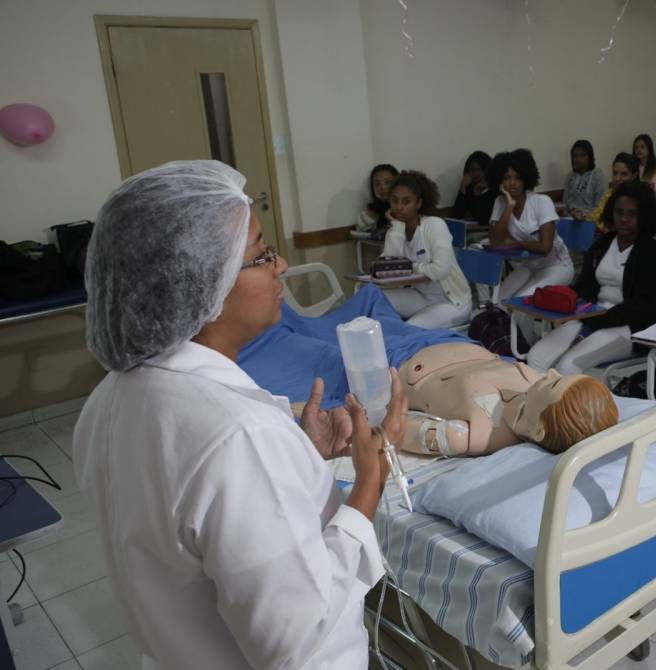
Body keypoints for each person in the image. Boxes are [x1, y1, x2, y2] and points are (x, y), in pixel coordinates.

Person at [74, 160, 407, 669]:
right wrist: (371, 479)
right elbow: (297, 640)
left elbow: (198, 527)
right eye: (261, 254)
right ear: (200, 281)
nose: (280, 267)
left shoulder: (106, 403)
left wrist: (301, 456)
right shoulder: (239, 436)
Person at [528, 181, 656, 374]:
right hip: (591, 316)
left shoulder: (653, 252)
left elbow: (644, 306)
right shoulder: (601, 245)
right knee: (535, 358)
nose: (624, 219)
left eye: (632, 214)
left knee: (567, 366)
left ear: (644, 216)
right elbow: (584, 287)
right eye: (619, 212)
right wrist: (568, 300)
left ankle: (565, 404)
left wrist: (598, 318)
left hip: (630, 328)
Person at [395, 342, 618, 456]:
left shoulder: (469, 436)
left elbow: (392, 431)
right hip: (455, 342)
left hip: (401, 361)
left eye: (554, 382)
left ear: (538, 430)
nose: (550, 372)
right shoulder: (535, 394)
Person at [379, 171, 472, 328]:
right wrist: (397, 227)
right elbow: (387, 271)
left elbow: (440, 270)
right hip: (420, 296)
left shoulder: (434, 225)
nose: (399, 207)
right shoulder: (395, 231)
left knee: (409, 330)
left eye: (406, 201)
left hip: (452, 302)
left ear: (419, 204)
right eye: (394, 201)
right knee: (376, 299)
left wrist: (409, 267)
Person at [487, 149, 574, 299]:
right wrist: (509, 207)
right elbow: (496, 242)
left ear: (526, 179)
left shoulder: (542, 201)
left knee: (521, 302)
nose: (512, 183)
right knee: (498, 302)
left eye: (518, 178)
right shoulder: (500, 202)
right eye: (507, 178)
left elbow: (545, 247)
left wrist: (516, 243)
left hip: (556, 267)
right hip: (527, 267)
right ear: (500, 181)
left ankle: (525, 322)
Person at [588, 152, 641, 228]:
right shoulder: (610, 193)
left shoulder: (641, 197)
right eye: (615, 173)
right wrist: (583, 216)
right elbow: (596, 217)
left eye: (624, 174)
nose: (617, 178)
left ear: (634, 176)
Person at [564, 139, 607, 219]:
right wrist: (572, 211)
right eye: (575, 156)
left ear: (590, 157)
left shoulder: (598, 176)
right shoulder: (570, 176)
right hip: (571, 217)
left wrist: (584, 214)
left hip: (591, 219)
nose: (578, 159)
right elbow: (566, 201)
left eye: (582, 155)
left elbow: (601, 206)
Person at [355, 163, 399, 236]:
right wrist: (371, 215)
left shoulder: (404, 208)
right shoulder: (373, 210)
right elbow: (361, 230)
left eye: (387, 182)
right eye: (377, 184)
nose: (382, 187)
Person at [453, 151, 494, 224]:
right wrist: (462, 187)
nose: (475, 174)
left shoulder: (494, 189)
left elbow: (484, 219)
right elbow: (457, 215)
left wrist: (478, 192)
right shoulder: (470, 188)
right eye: (472, 170)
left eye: (479, 170)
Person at [633, 133, 656, 207]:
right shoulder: (632, 167)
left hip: (651, 207)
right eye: (636, 147)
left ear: (649, 149)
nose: (639, 150)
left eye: (642, 147)